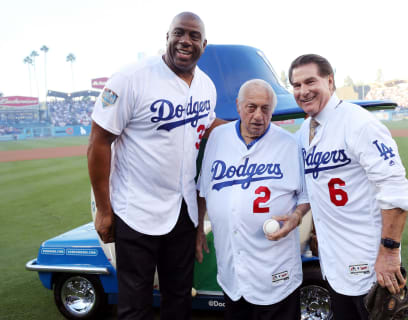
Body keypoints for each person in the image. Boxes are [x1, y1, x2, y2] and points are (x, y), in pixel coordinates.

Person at [87, 12, 224, 320]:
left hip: (182, 212)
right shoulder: (131, 77)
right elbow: (98, 142)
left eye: (193, 36)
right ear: (167, 37)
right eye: (179, 33)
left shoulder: (206, 85)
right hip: (136, 211)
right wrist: (104, 210)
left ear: (204, 43)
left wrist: (251, 128)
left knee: (179, 300)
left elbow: (209, 125)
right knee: (135, 306)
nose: (185, 41)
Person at [288, 54, 408, 320]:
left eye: (310, 81)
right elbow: (316, 187)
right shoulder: (304, 131)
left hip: (369, 262)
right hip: (334, 263)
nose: (303, 91)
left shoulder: (358, 123)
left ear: (330, 81)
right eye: (296, 85)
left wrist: (390, 253)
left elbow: (396, 192)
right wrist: (303, 221)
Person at [196, 79, 310, 320]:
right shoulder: (218, 138)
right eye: (251, 107)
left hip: (276, 273)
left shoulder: (288, 145)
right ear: (238, 106)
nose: (258, 115)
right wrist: (198, 228)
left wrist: (296, 216)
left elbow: (307, 194)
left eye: (265, 108)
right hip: (232, 274)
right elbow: (204, 189)